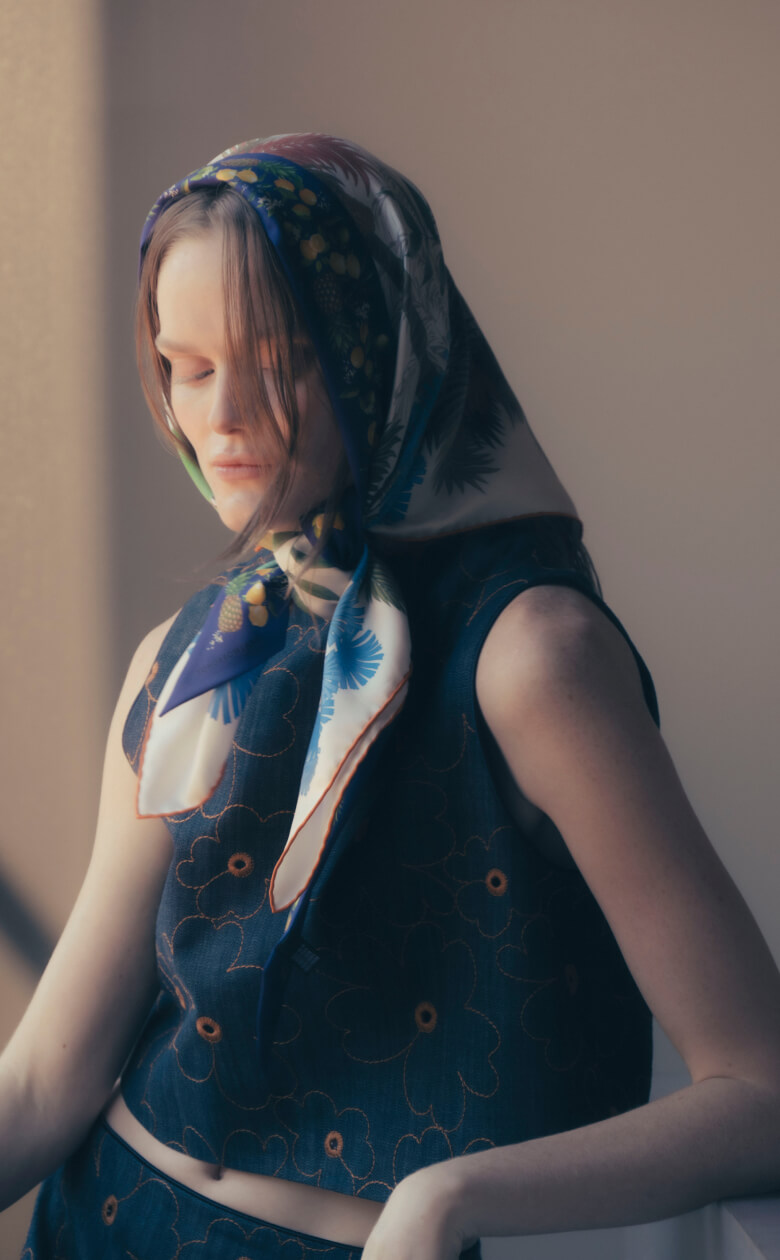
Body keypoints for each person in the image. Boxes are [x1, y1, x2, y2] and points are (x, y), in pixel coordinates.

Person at [5, 132, 780, 1260]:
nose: (222, 419)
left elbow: (761, 1089)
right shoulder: (190, 658)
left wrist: (446, 1198)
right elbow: (45, 1080)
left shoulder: (531, 659)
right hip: (90, 1223)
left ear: (383, 345)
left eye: (282, 358)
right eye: (188, 365)